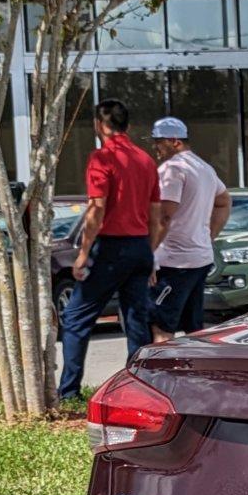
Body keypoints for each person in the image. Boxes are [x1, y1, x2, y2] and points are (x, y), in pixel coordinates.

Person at [58, 99, 162, 400]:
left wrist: (82, 252)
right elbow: (156, 214)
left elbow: (97, 209)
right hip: (141, 246)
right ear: (126, 126)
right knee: (135, 321)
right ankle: (140, 390)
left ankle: (68, 391)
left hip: (111, 249)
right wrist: (150, 253)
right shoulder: (145, 160)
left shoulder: (102, 158)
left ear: (98, 125)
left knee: (77, 317)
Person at [147, 116, 229, 344]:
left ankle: (158, 377)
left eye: (158, 141)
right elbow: (224, 201)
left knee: (161, 327)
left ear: (175, 141)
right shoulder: (205, 168)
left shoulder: (172, 169)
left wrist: (147, 254)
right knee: (192, 328)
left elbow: (164, 216)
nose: (155, 147)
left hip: (174, 263)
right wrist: (208, 236)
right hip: (199, 259)